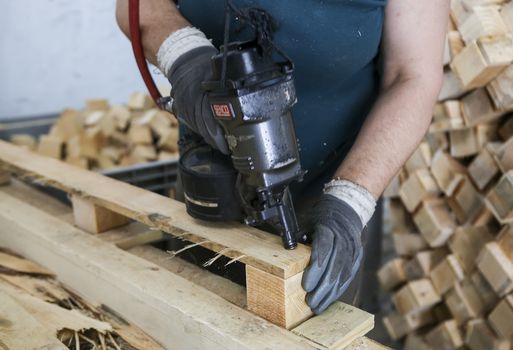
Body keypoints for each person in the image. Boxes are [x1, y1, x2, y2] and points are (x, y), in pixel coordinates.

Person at [116, 0, 450, 314]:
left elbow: (413, 75)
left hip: (332, 185)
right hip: (210, 179)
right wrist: (183, 54)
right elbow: (137, 7)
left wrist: (351, 201)